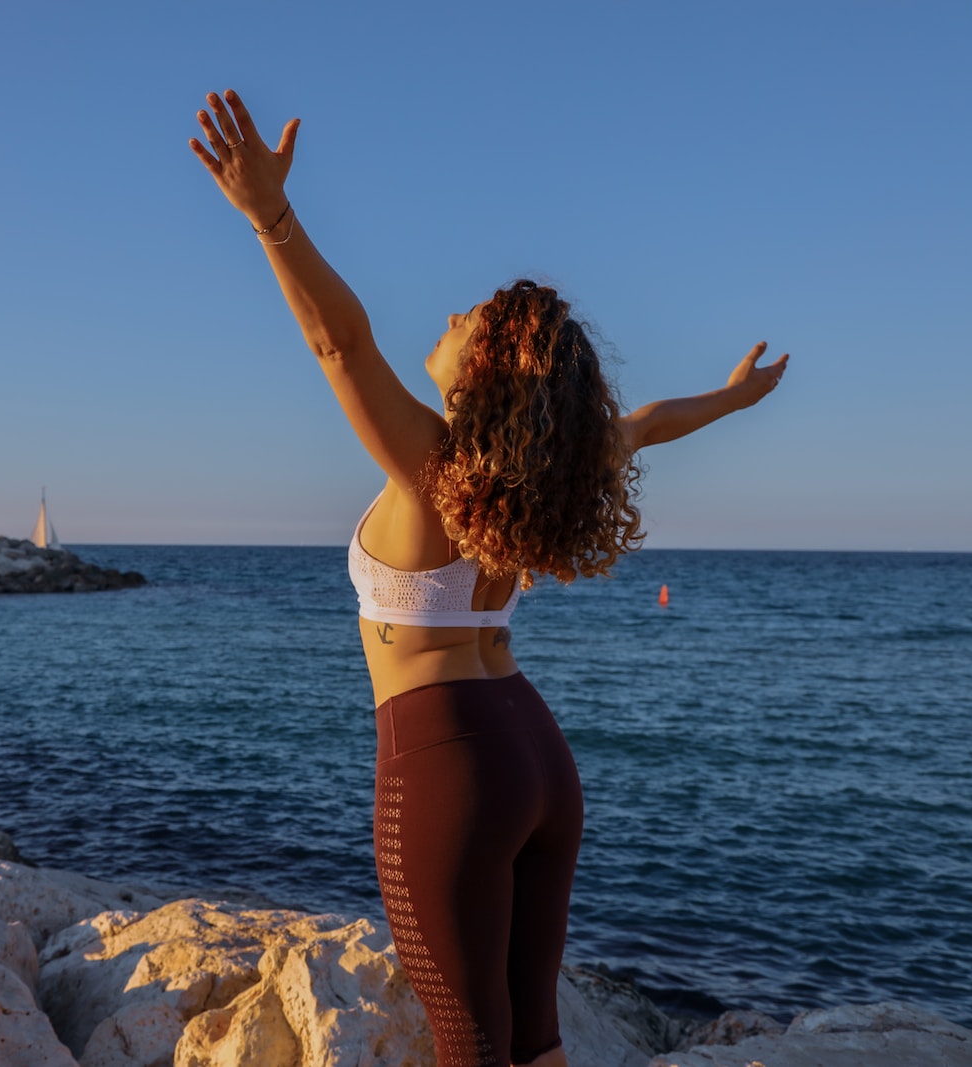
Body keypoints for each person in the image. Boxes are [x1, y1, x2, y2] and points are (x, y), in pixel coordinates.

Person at [189, 89, 788, 1067]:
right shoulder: (543, 477)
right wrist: (735, 395)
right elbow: (647, 423)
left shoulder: (433, 467)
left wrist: (272, 218)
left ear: (488, 372)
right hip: (538, 756)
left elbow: (338, 341)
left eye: (474, 317)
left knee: (472, 1048)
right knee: (534, 1041)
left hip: (450, 762)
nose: (455, 310)